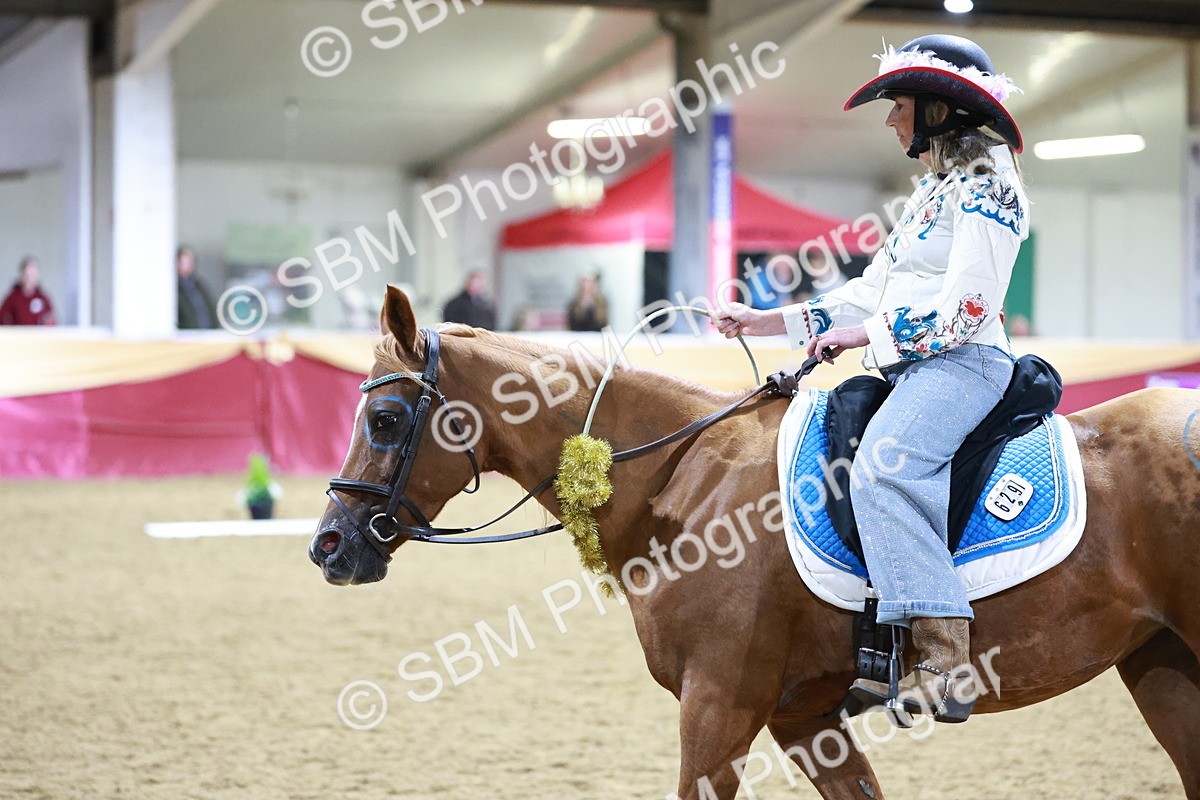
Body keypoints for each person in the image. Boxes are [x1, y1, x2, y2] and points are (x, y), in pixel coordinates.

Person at [713, 34, 1028, 721]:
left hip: (964, 362)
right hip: (915, 362)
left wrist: (867, 337)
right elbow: (870, 289)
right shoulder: (933, 192)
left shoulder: (989, 188)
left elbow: (970, 308)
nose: (890, 120)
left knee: (885, 466)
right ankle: (874, 645)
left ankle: (944, 658)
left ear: (940, 109)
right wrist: (763, 321)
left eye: (900, 105)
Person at [0, 257, 56, 325]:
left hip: (37, 335)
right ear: (22, 275)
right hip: (18, 334)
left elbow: (51, 321)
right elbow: (2, 317)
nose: (30, 279)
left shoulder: (43, 298)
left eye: (33, 275)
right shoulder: (13, 297)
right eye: (27, 275)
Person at [176, 246, 217, 329]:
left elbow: (210, 309)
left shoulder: (199, 285)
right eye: (182, 262)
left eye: (188, 262)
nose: (186, 266)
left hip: (206, 336)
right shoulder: (173, 289)